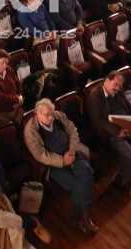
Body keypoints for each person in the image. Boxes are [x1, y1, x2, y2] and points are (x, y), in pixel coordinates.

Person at [24, 98, 98, 234]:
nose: (51, 117)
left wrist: (72, 150)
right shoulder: (31, 130)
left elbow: (73, 131)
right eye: (47, 115)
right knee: (78, 184)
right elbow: (40, 155)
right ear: (37, 113)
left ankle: (77, 218)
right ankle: (85, 218)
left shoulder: (58, 116)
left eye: (51, 113)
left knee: (86, 172)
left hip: (71, 153)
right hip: (54, 164)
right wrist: (62, 161)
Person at [85, 70, 131, 191]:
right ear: (107, 81)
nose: (118, 88)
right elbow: (98, 122)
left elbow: (129, 106)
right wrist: (117, 132)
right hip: (109, 130)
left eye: (120, 86)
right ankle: (122, 182)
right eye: (115, 84)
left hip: (125, 121)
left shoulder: (118, 90)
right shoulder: (94, 96)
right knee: (130, 154)